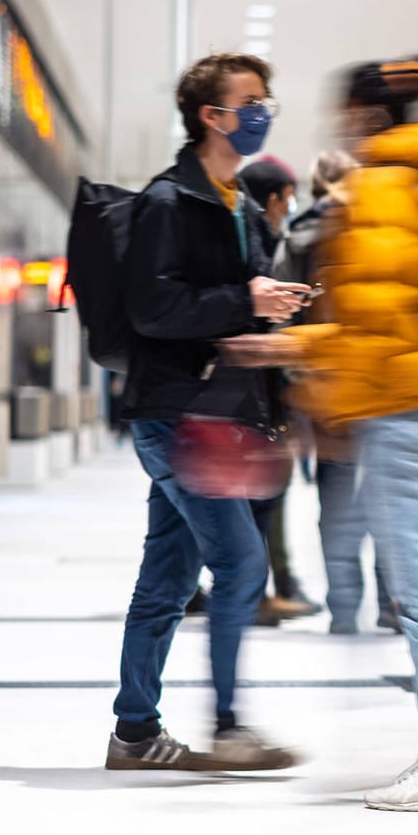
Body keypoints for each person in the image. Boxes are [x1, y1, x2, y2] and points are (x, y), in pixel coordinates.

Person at [225, 57, 418, 810]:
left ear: (370, 117)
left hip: (403, 407)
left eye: (348, 112)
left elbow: (376, 325)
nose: (342, 125)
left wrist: (289, 348)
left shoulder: (380, 191)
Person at [105, 51, 307, 772]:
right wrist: (245, 300)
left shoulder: (241, 206)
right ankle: (228, 728)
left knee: (167, 576)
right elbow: (154, 310)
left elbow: (227, 305)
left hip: (214, 411)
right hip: (175, 412)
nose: (260, 113)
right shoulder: (168, 203)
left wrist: (270, 311)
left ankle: (134, 733)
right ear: (209, 116)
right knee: (242, 564)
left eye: (265, 101)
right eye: (248, 102)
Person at [273, 149, 400, 635]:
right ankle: (391, 602)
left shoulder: (299, 236)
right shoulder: (378, 227)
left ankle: (344, 607)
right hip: (379, 383)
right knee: (388, 497)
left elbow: (282, 317)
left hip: (325, 389)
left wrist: (299, 379)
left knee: (336, 502)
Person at [235, 157, 320, 626]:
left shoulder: (253, 237)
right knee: (259, 497)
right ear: (272, 199)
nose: (290, 209)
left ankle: (264, 588)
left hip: (256, 398)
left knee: (262, 495)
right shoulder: (258, 244)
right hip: (253, 399)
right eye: (288, 200)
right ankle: (254, 593)